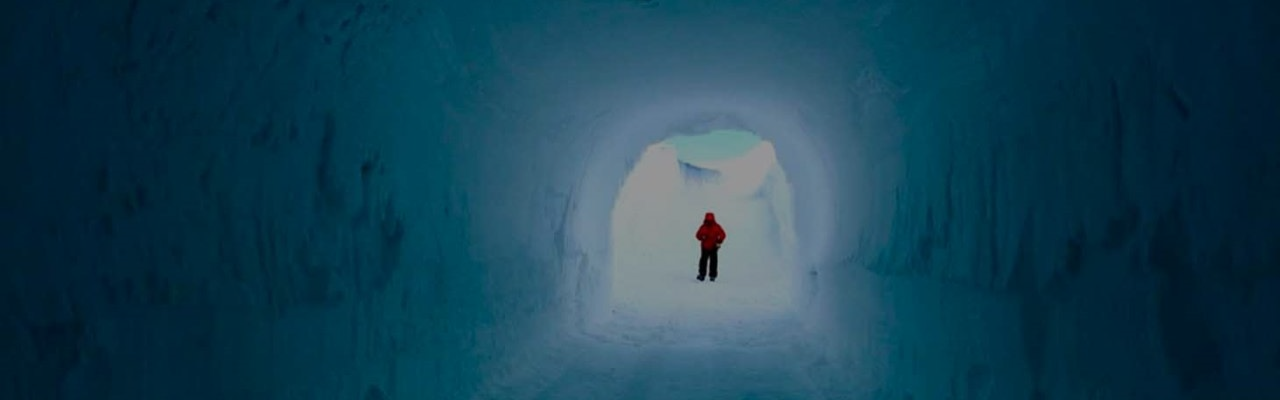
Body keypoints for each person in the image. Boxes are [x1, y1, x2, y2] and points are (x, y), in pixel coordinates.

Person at [695, 212, 727, 282]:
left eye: (710, 221)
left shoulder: (706, 227)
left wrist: (719, 241)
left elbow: (723, 234)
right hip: (708, 247)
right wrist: (702, 237)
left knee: (709, 261)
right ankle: (708, 276)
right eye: (708, 220)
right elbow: (697, 235)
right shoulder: (713, 226)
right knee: (708, 261)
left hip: (711, 247)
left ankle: (705, 275)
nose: (709, 222)